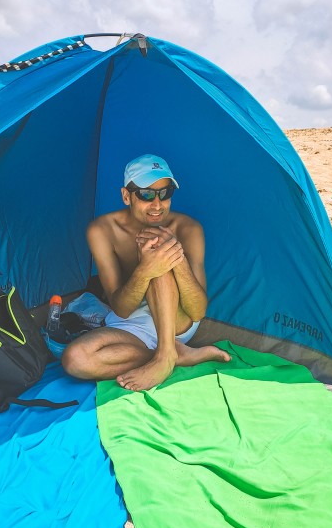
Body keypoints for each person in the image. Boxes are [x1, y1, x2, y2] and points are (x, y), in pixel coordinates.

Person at [62, 154, 230, 391]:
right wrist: (144, 271)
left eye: (165, 193)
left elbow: (197, 311)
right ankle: (171, 354)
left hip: (177, 320)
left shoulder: (188, 228)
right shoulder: (102, 230)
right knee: (75, 359)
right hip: (132, 322)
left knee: (158, 249)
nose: (157, 204)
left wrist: (176, 259)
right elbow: (121, 308)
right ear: (126, 196)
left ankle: (165, 355)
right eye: (146, 194)